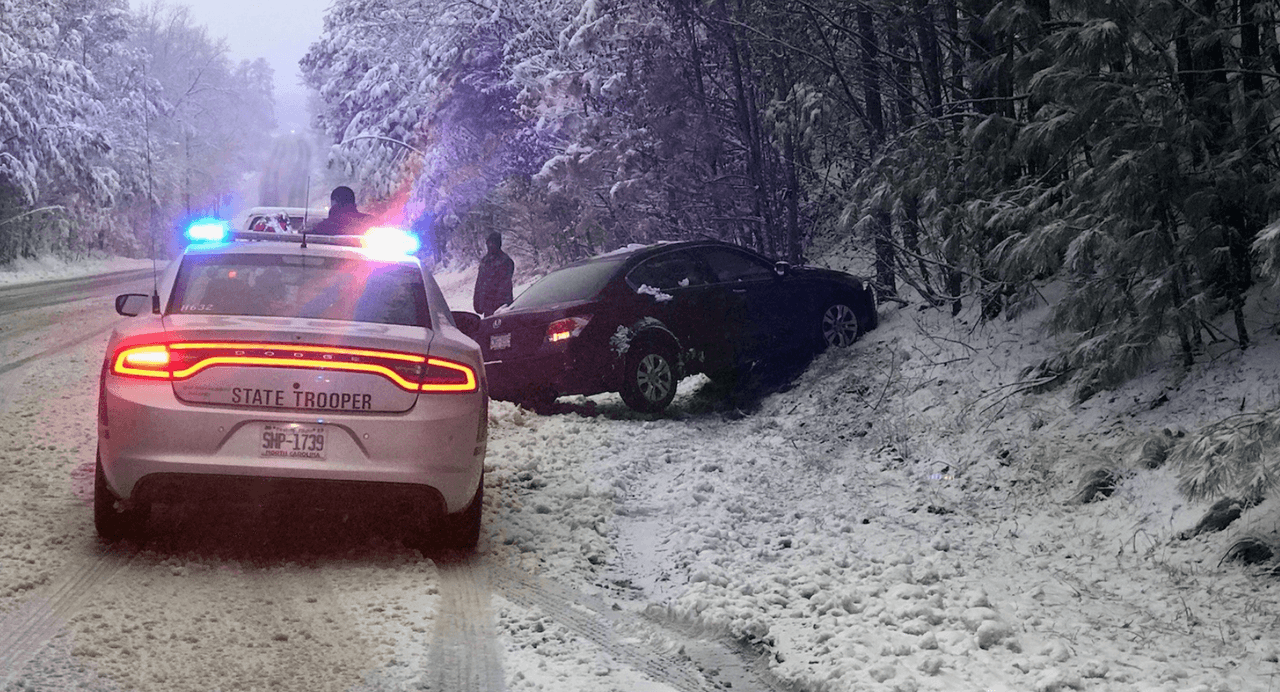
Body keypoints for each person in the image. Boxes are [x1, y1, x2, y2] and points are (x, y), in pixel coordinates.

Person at [473, 231, 514, 316]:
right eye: (489, 243)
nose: (490, 245)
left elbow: (505, 286)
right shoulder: (485, 261)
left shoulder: (505, 261)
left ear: (498, 244)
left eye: (493, 243)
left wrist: (502, 304)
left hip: (501, 307)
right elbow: (479, 283)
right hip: (487, 307)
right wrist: (477, 302)